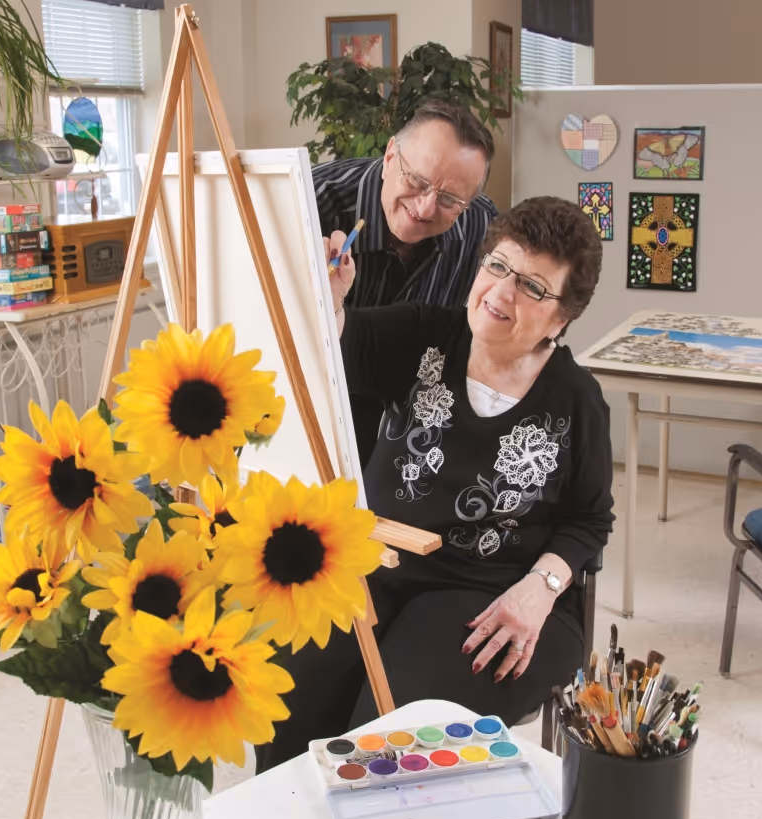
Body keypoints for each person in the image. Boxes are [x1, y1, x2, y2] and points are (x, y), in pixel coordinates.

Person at [255, 196, 614, 772]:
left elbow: (590, 519)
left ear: (562, 317)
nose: (500, 293)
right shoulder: (427, 333)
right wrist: (331, 298)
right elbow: (338, 343)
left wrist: (540, 589)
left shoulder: (576, 399)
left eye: (532, 287)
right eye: (496, 266)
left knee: (384, 734)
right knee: (291, 696)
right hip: (376, 565)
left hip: (493, 595)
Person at [311, 100, 499, 464]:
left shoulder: (480, 224)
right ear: (390, 155)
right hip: (317, 417)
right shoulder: (310, 204)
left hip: (412, 436)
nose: (426, 208)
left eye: (449, 199)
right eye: (417, 181)